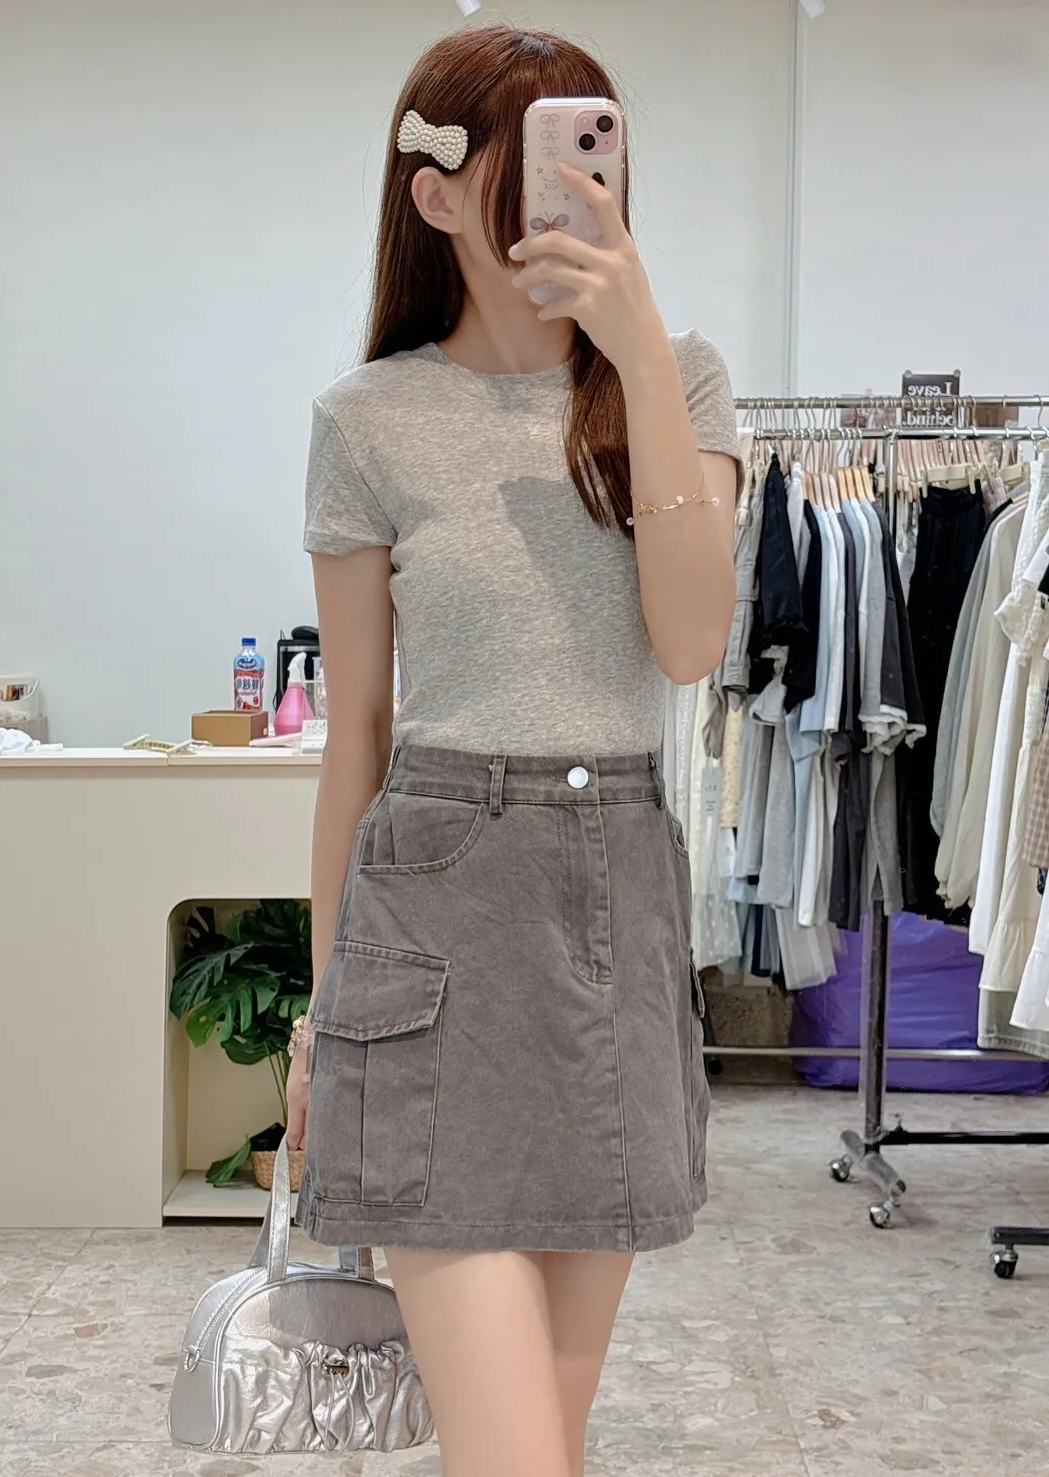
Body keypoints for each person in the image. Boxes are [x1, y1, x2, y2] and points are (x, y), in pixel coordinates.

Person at [285, 23, 739, 1477]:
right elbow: (356, 736)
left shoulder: (680, 382)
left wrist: (642, 355)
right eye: (535, 165)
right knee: (515, 1458)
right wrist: (318, 1018)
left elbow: (691, 643)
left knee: (551, 1443)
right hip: (434, 919)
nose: (573, 196)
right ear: (435, 196)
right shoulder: (369, 420)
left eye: (595, 157)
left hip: (614, 912)